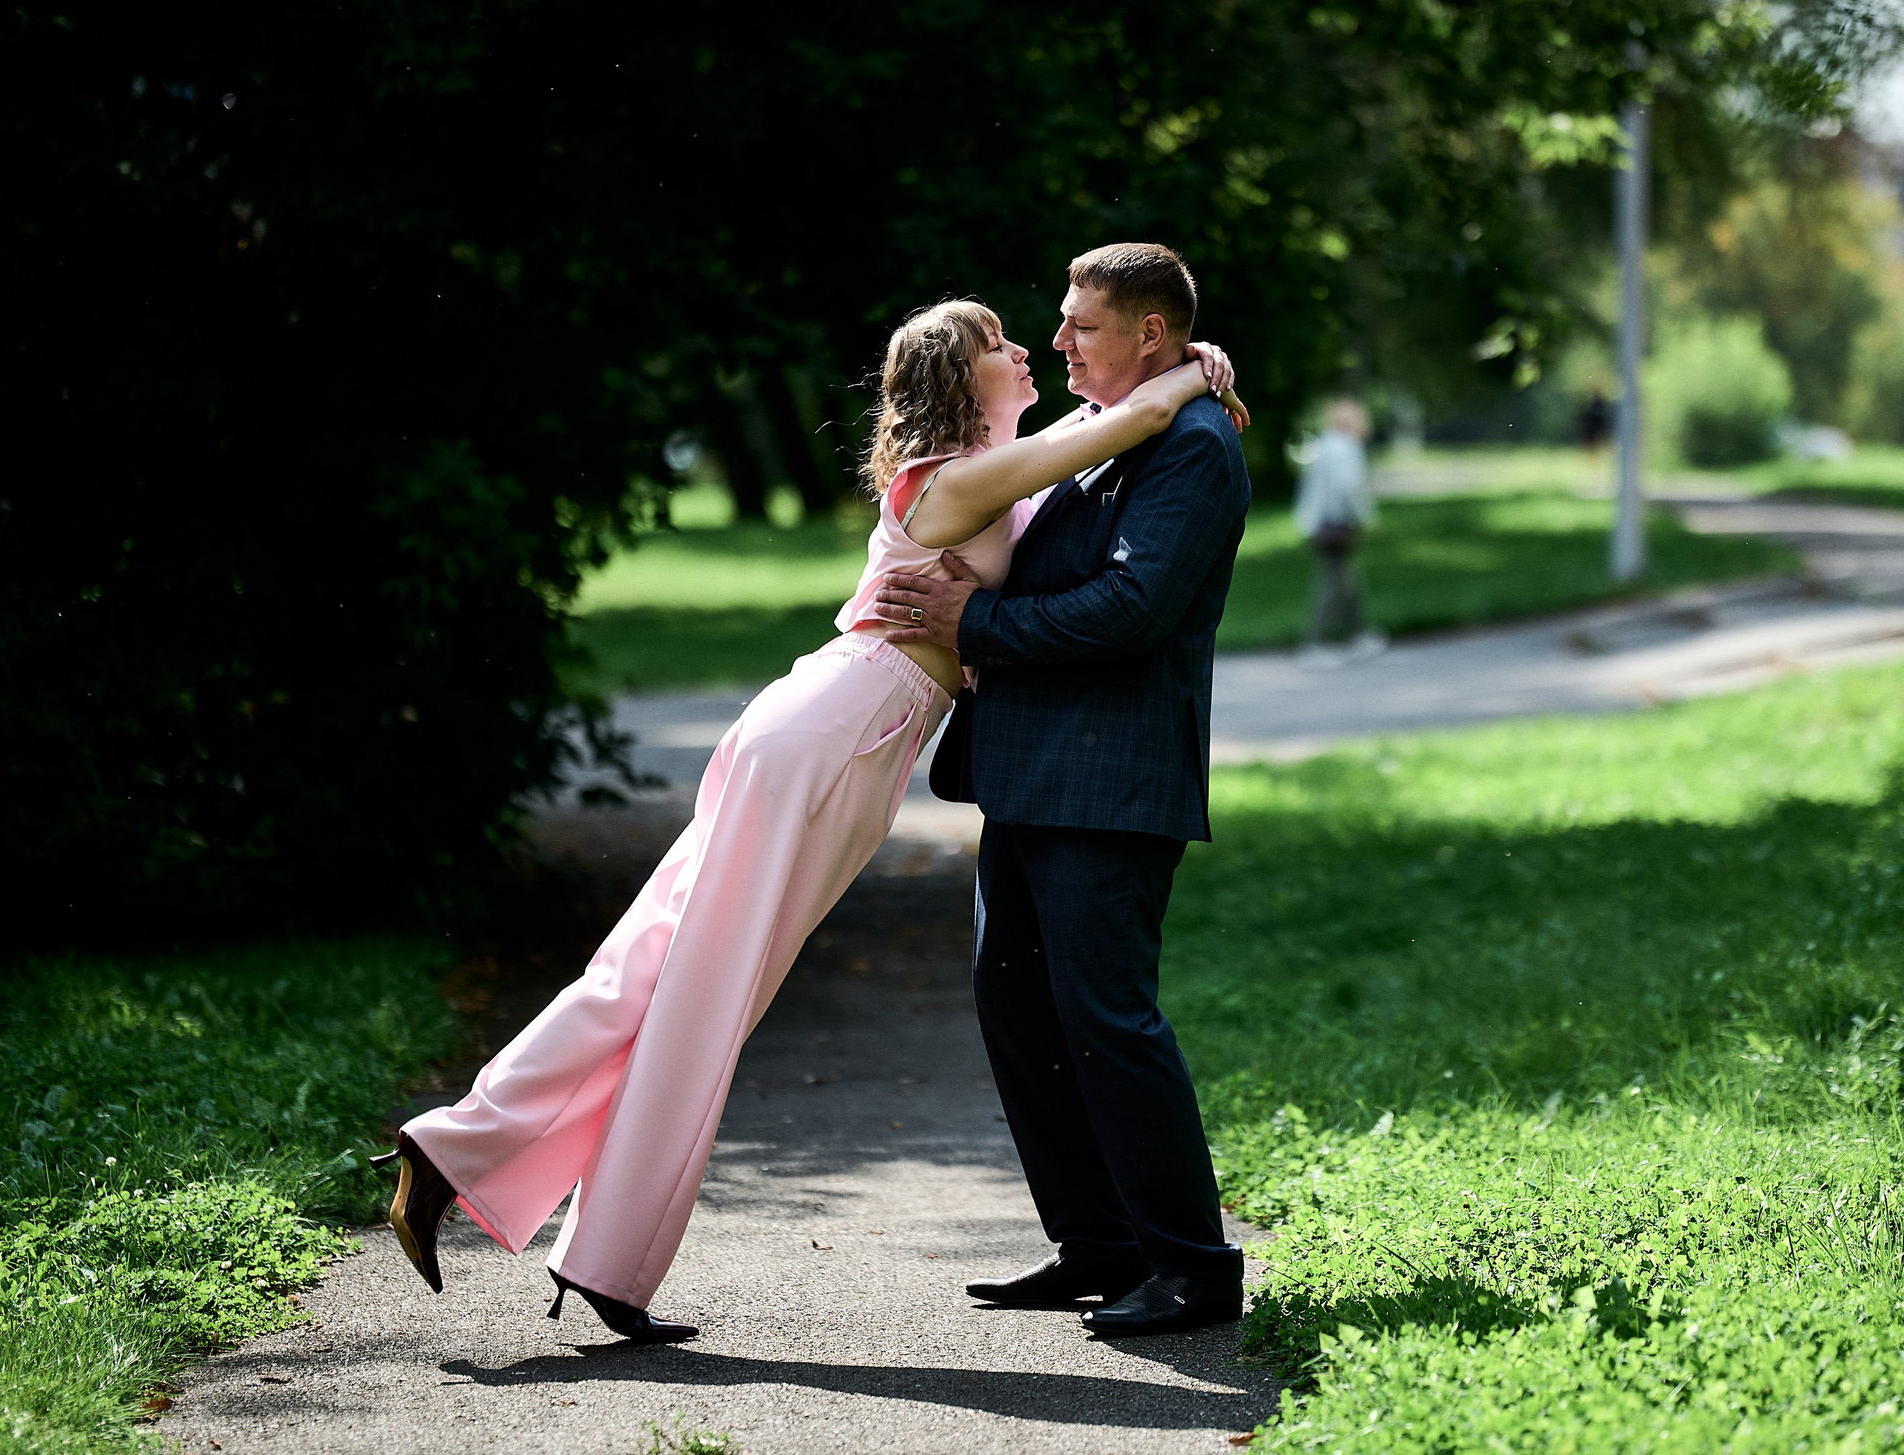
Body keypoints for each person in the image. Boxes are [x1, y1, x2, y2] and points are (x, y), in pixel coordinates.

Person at [368, 297, 1245, 1344]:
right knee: (703, 984)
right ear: (961, 377)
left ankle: (466, 1154)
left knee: (657, 965)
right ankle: (586, 1245)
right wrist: (1196, 365)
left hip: (833, 730)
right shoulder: (955, 478)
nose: (1030, 349)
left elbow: (1096, 440)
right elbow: (1125, 421)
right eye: (1002, 342)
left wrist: (1181, 363)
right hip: (834, 734)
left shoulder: (989, 465)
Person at [874, 242, 1252, 1338]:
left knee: (1107, 1016)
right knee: (1017, 1006)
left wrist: (973, 622)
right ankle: (1098, 1244)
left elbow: (1132, 609)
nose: (1058, 341)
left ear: (1150, 333)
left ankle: (1194, 1265)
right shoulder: (1103, 428)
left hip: (1112, 778)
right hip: (1030, 772)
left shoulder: (1194, 445)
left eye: (1082, 325)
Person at [1291, 396, 1380, 663]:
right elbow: (1348, 488)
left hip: (1318, 524)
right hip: (1335, 524)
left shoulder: (1324, 444)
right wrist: (1365, 518)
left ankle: (1358, 634)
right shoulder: (1347, 447)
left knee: (1346, 580)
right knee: (1333, 584)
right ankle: (1314, 644)